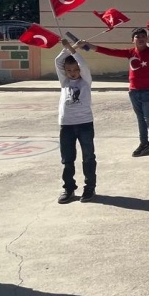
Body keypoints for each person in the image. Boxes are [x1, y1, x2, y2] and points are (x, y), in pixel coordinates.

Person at [85, 26, 149, 157]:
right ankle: (144, 144)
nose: (140, 39)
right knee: (140, 119)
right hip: (134, 91)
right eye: (137, 37)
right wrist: (90, 46)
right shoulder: (130, 52)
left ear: (147, 39)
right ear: (132, 40)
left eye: (143, 36)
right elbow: (110, 51)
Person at [55, 39, 96, 204]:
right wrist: (67, 49)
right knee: (67, 158)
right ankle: (69, 188)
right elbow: (58, 61)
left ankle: (90, 187)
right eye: (69, 70)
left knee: (88, 157)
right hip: (66, 125)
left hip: (85, 123)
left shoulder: (86, 81)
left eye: (75, 69)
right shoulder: (64, 82)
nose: (72, 72)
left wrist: (73, 50)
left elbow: (83, 65)